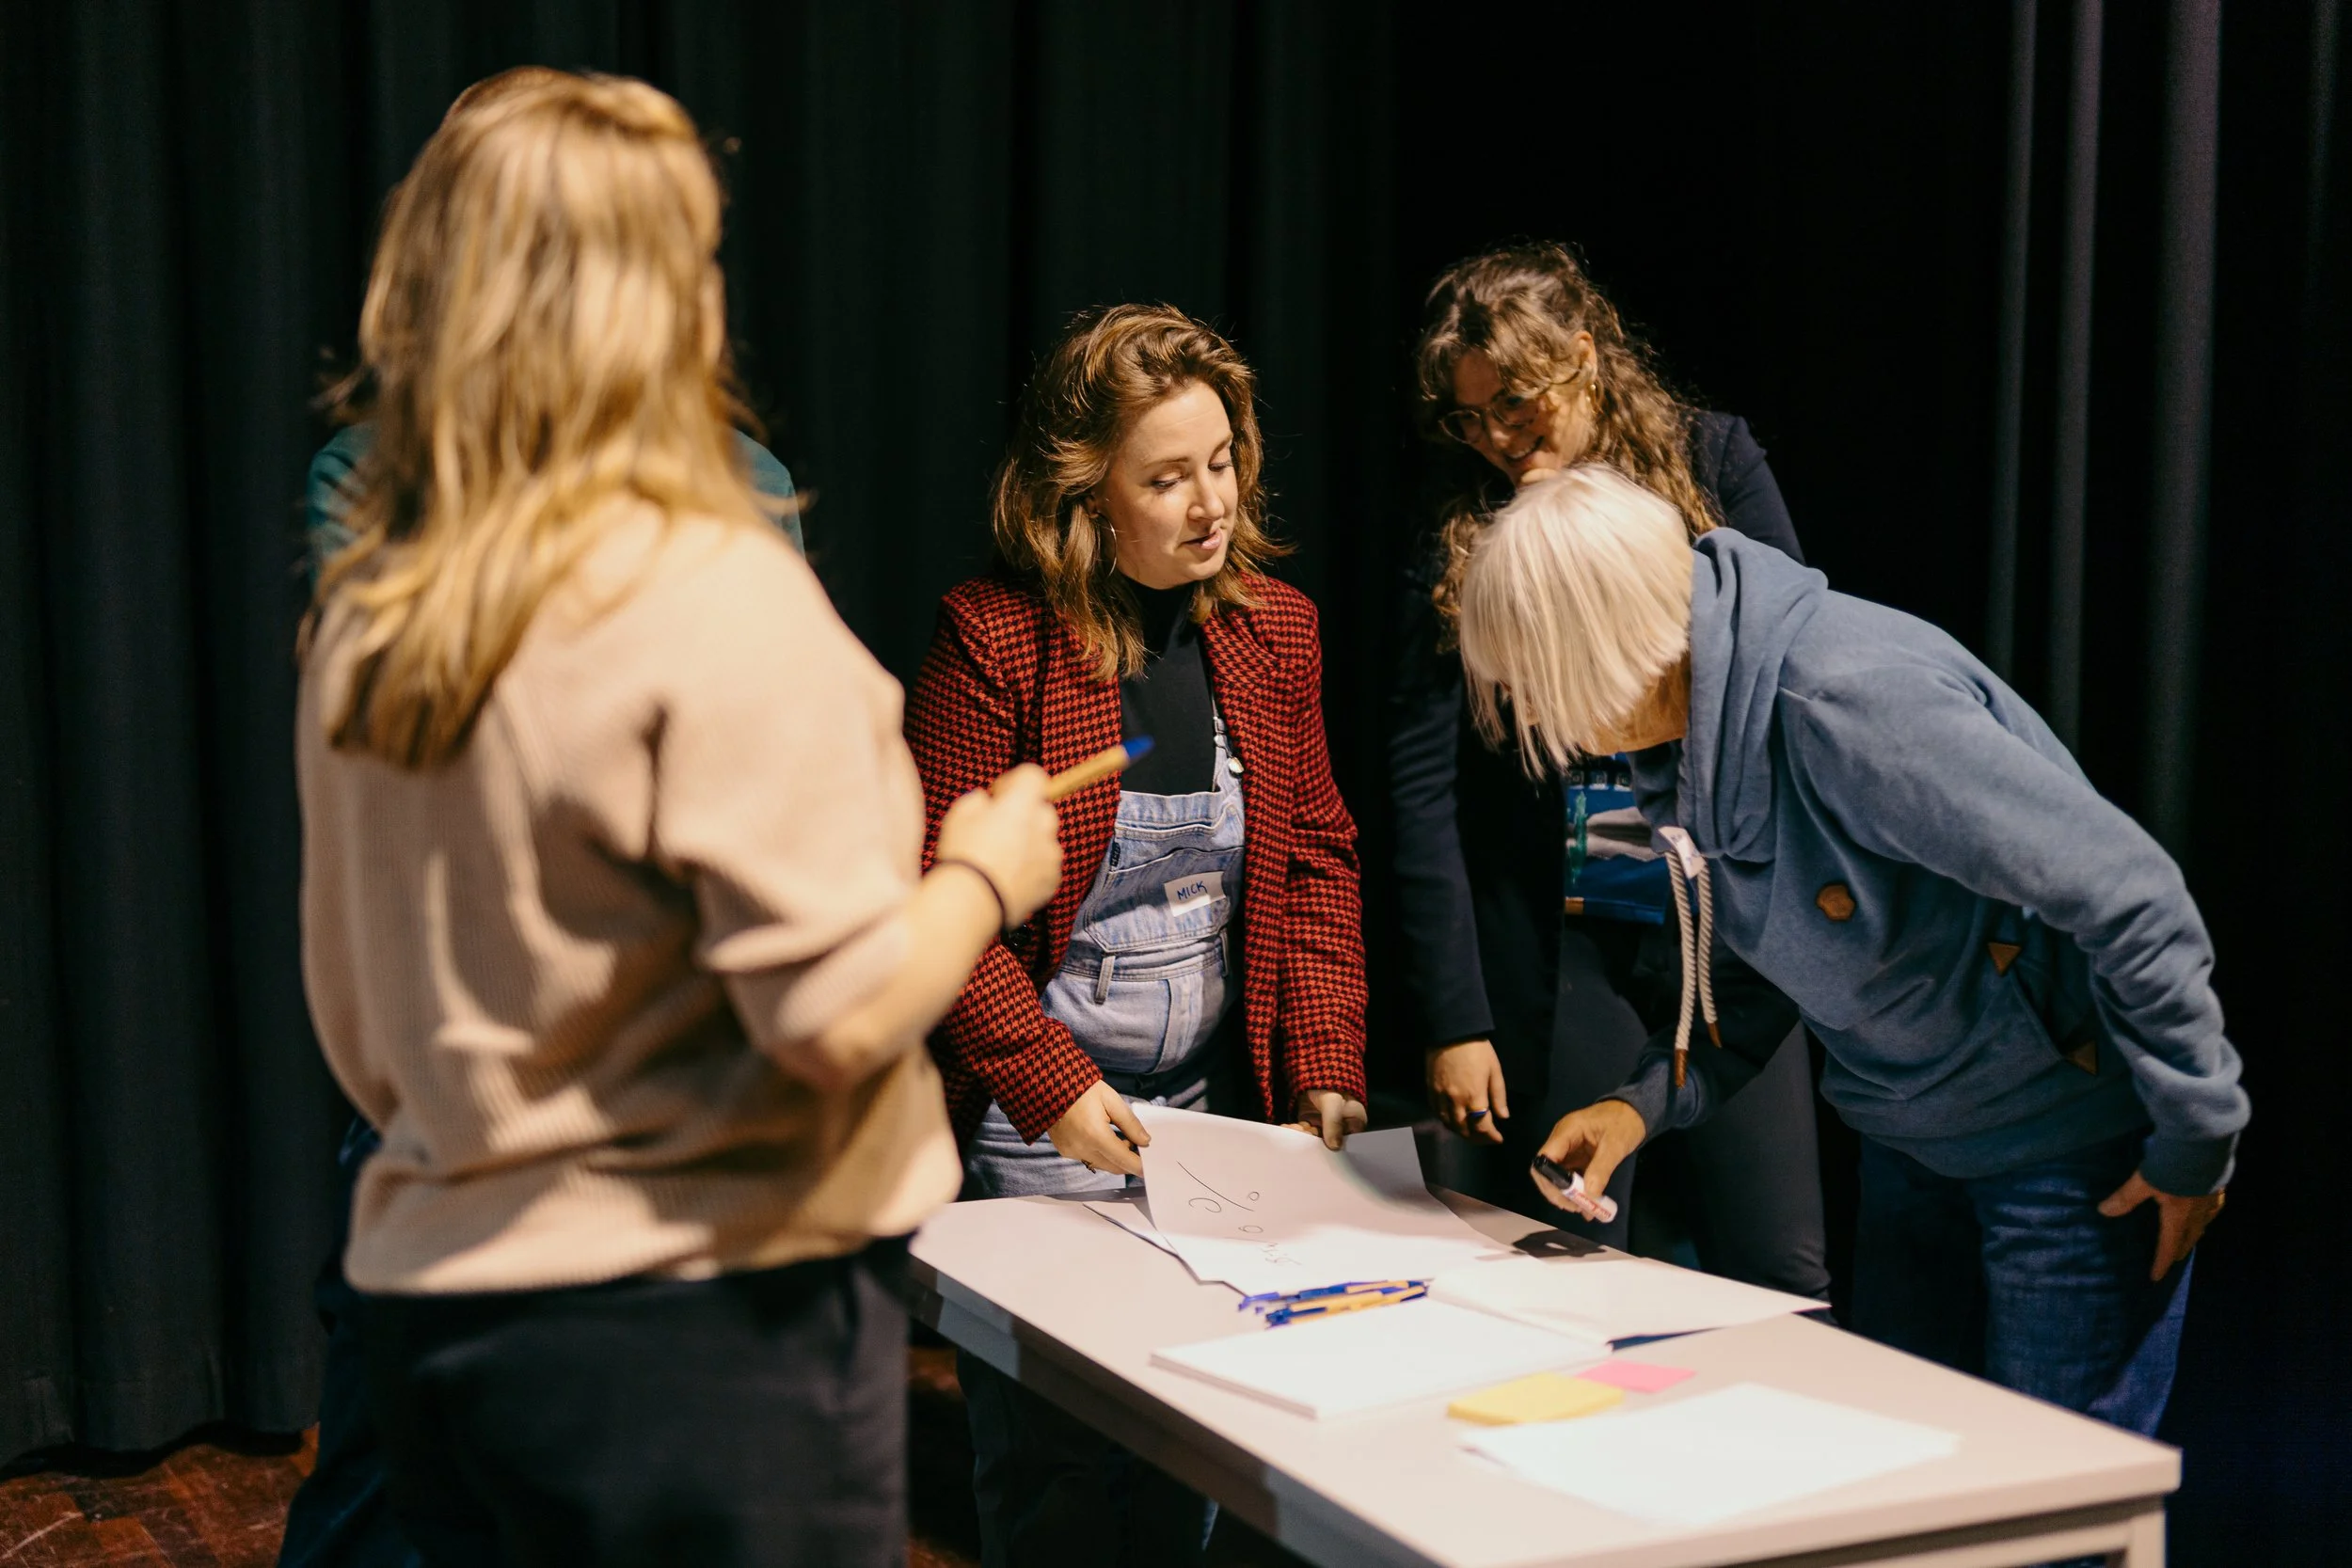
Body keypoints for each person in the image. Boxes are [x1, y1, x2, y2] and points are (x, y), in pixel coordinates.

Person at [294, 70, 1063, 1568]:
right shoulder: (710, 586)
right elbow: (835, 1012)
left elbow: (362, 1029)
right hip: (704, 1337)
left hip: (443, 1310)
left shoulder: (381, 613)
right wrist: (981, 871)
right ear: (650, 294)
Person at [278, 81, 811, 1568]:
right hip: (457, 1099)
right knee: (392, 1494)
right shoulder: (372, 485)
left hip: (671, 1109)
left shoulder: (748, 481)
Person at [1457, 465, 2246, 1433]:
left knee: (2050, 1518)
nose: (1536, 718)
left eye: (1536, 684)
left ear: (1602, 641)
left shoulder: (1845, 701)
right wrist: (1639, 1105)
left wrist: (2195, 1138)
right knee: (1904, 1489)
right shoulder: (1677, 753)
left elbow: (2133, 895)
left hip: (2068, 1158)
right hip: (1911, 1145)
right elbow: (1755, 970)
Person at [903, 303, 1369, 1566]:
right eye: (1166, 476)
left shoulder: (1276, 630)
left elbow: (1318, 853)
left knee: (1195, 1444)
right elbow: (940, 898)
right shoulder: (993, 641)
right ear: (1087, 493)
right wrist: (1051, 1084)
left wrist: (1324, 1050)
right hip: (1040, 1108)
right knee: (1057, 1463)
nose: (1210, 500)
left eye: (1221, 460)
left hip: (1212, 1117)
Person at [1387, 242, 1827, 1297]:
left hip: (1722, 916)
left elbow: (1794, 659)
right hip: (1564, 923)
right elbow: (1418, 780)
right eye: (1470, 416)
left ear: (1585, 358)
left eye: (1517, 404)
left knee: (1777, 1267)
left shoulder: (1708, 461)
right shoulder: (1459, 522)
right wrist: (1455, 1015)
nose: (1495, 438)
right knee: (1568, 1262)